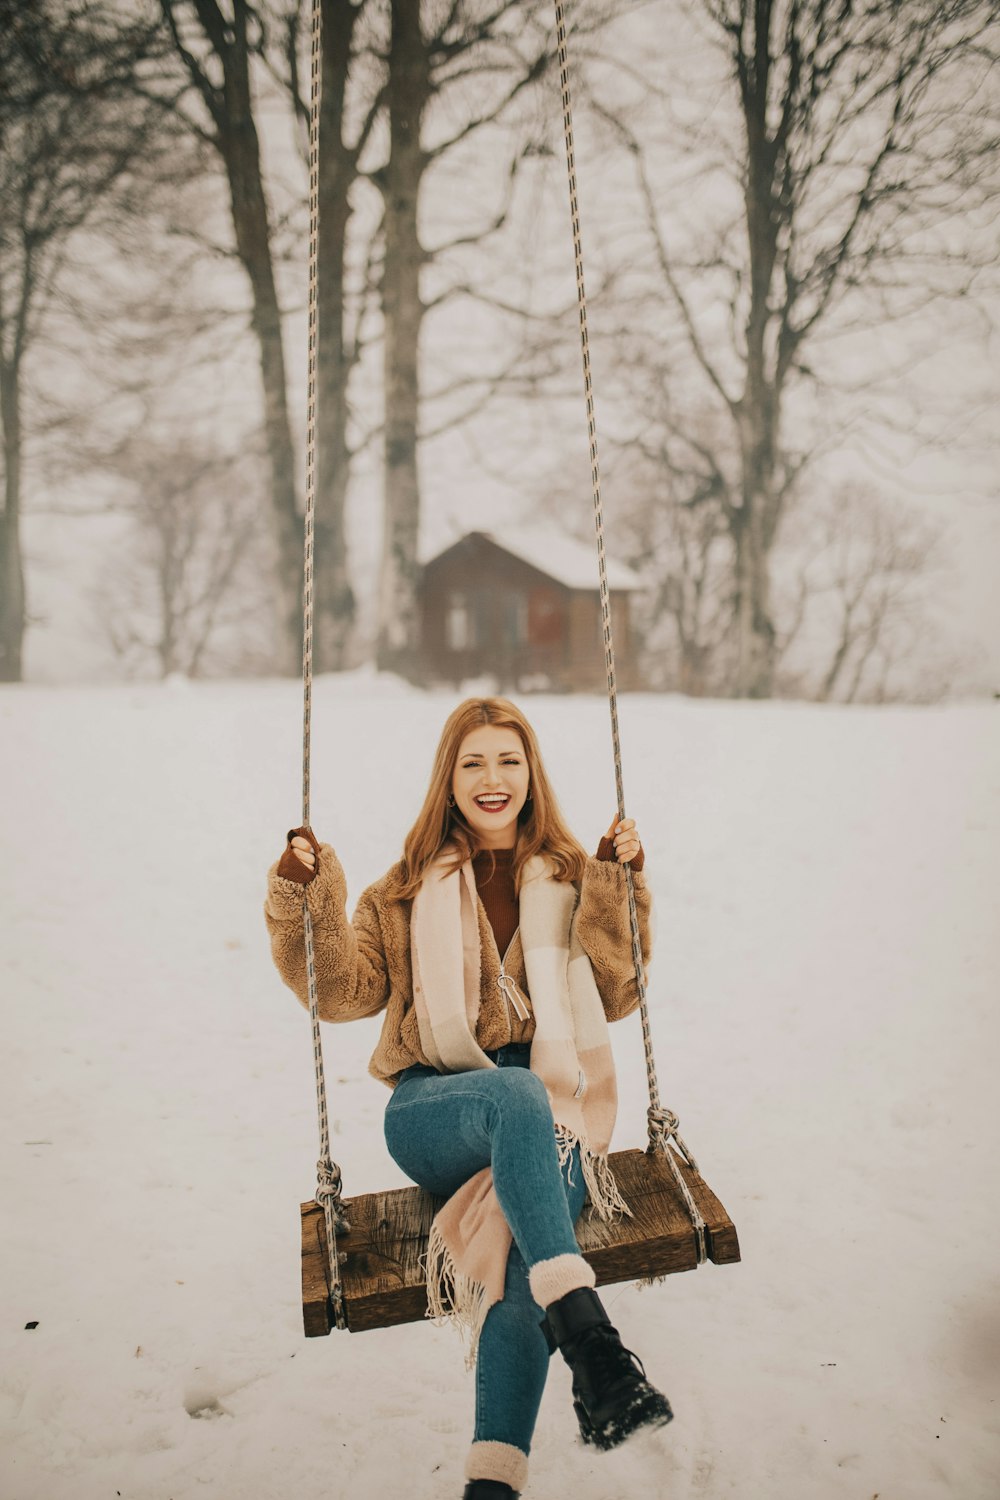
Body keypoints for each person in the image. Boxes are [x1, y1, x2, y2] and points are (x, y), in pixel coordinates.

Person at [265, 697, 672, 1500]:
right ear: (448, 779)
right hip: (435, 1108)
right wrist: (300, 895)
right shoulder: (405, 889)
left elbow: (618, 992)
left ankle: (494, 1483)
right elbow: (341, 990)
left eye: (508, 761)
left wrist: (617, 887)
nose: (493, 780)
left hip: (554, 1115)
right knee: (513, 1092)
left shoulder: (568, 876)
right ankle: (593, 1336)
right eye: (474, 763)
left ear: (531, 774)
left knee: (521, 1266)